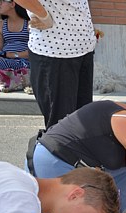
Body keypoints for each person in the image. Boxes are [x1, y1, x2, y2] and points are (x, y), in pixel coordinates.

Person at [13, 0, 95, 128]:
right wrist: (43, 15)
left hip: (83, 50)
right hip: (55, 52)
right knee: (61, 126)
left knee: (83, 123)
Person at [0, 0, 30, 86]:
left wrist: (10, 55)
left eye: (2, 1)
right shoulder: (0, 26)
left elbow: (33, 52)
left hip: (23, 62)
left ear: (12, 4)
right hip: (3, 60)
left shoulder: (29, 24)